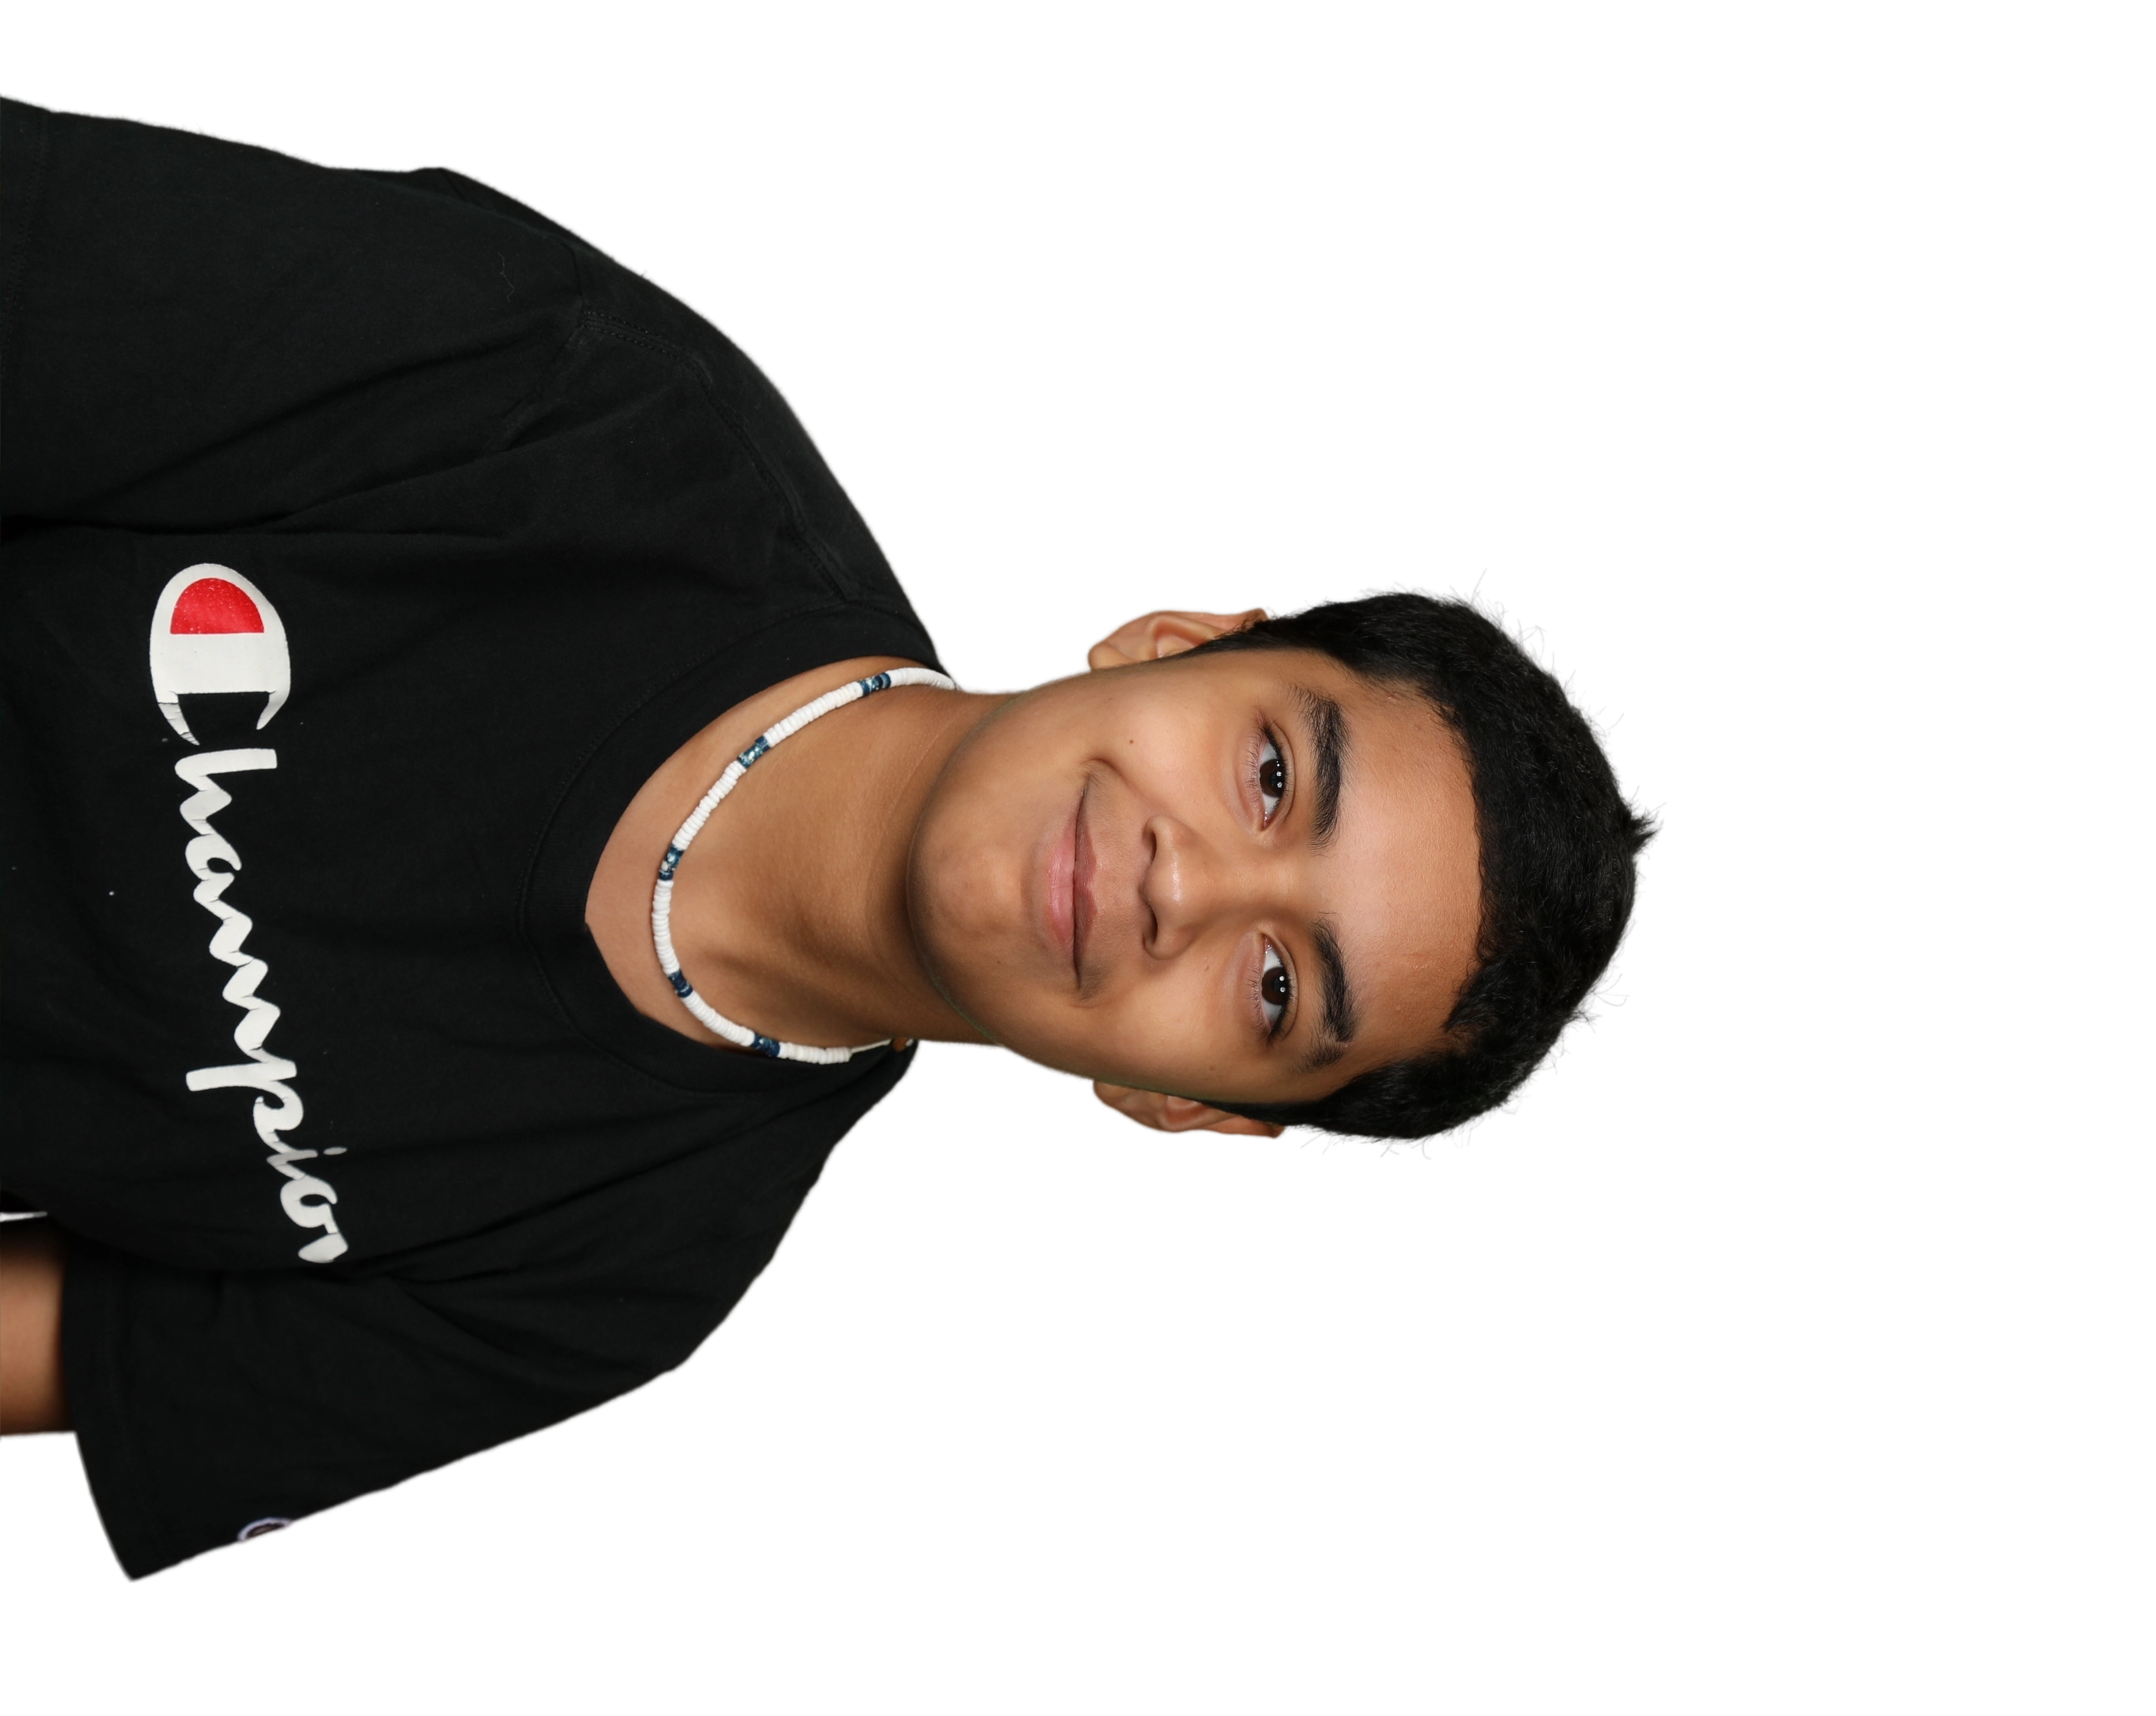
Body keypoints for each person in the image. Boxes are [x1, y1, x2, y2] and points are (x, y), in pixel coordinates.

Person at [0, 91, 1660, 1582]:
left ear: (1181, 1105)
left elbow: (69, 1361)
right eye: (1274, 777)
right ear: (1174, 642)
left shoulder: (627, 1277)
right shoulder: (576, 403)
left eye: (1281, 989)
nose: (1190, 886)